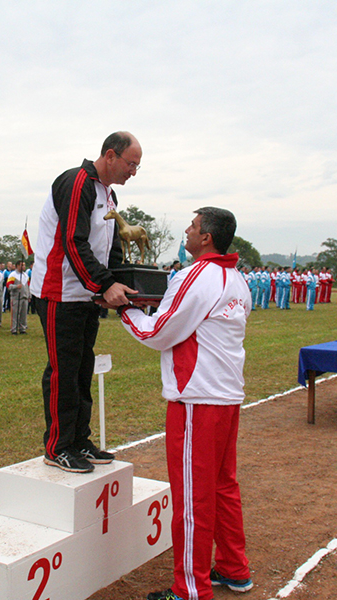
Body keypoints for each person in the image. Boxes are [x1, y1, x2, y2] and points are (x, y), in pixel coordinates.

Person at [116, 208, 254, 600]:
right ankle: (233, 568)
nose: (187, 232)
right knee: (224, 486)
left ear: (206, 237)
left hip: (196, 400)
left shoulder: (196, 275)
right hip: (227, 397)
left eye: (192, 227)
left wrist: (126, 311)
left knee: (194, 496)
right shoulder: (237, 280)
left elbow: (159, 332)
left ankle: (191, 589)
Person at [29, 131, 140, 473]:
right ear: (110, 155)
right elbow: (73, 241)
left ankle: (79, 439)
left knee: (82, 368)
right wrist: (104, 284)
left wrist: (121, 281)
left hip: (85, 295)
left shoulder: (108, 196)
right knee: (64, 371)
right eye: (130, 164)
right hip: (59, 292)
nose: (133, 172)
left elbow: (112, 247)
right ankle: (58, 446)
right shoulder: (77, 183)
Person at [8, 260, 30, 334]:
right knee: (15, 314)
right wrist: (16, 286)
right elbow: (8, 286)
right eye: (21, 265)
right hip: (16, 297)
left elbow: (28, 286)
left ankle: (22, 328)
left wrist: (29, 295)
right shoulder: (13, 275)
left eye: (24, 265)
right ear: (17, 266)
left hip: (24, 297)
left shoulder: (26, 275)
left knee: (23, 314)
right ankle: (14, 329)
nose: (23, 266)